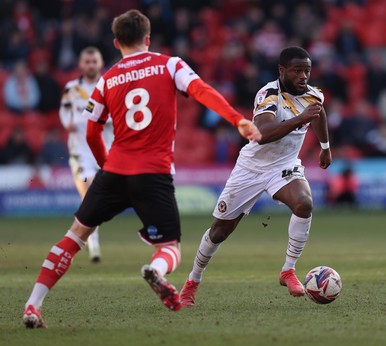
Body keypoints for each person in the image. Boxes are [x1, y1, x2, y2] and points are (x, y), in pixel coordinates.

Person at [22, 9, 261, 328]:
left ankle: (32, 306)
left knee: (76, 235)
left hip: (115, 170)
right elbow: (201, 90)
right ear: (148, 38)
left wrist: (107, 168)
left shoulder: (106, 79)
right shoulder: (170, 64)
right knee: (170, 247)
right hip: (153, 172)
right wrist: (237, 119)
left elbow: (92, 131)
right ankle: (156, 272)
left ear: (116, 42)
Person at [180, 46, 332, 306]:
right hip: (251, 168)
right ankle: (192, 282)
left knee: (304, 203)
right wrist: (299, 119)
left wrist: (325, 147)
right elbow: (262, 133)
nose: (303, 76)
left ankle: (288, 270)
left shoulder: (314, 95)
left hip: (284, 166)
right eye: (296, 71)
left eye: (306, 70)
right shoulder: (268, 94)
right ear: (282, 71)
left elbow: (318, 115)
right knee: (219, 231)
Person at [59, 46, 114, 262]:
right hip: (80, 152)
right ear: (81, 64)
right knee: (88, 190)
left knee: (97, 199)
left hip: (104, 151)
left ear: (100, 64)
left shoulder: (108, 85)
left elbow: (117, 113)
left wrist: (104, 120)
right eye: (87, 62)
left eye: (94, 62)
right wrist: (68, 123)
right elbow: (64, 110)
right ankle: (94, 242)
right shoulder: (71, 88)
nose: (91, 65)